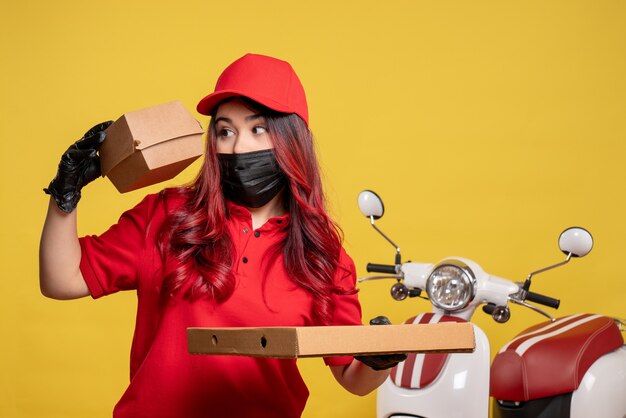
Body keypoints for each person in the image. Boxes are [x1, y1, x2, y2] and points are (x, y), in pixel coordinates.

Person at [39, 53, 405, 418]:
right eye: (225, 131)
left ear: (292, 138)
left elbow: (352, 378)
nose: (237, 146)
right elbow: (61, 279)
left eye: (257, 129)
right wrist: (64, 196)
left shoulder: (321, 254)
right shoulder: (168, 215)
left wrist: (380, 357)